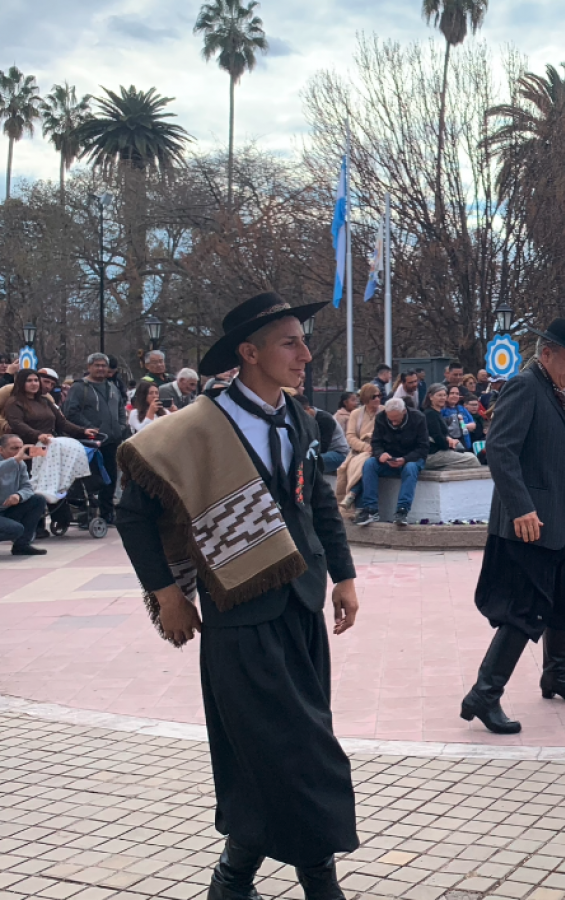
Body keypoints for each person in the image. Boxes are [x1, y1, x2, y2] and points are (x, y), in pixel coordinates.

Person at [115, 292, 360, 899]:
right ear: (249, 354)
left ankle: (230, 882)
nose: (305, 354)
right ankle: (321, 887)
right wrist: (167, 595)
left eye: (303, 341)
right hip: (238, 614)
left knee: (269, 756)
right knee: (303, 756)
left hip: (300, 605)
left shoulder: (303, 418)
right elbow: (131, 513)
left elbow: (318, 504)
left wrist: (344, 575)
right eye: (290, 342)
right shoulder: (195, 427)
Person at [461, 319, 565, 735]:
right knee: (525, 609)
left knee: (564, 603)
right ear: (546, 354)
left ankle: (555, 676)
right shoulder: (526, 386)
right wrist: (521, 507)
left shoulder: (556, 393)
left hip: (561, 520)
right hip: (531, 523)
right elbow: (500, 449)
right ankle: (484, 695)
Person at [63, 353, 129, 524]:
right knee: (90, 480)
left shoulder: (112, 387)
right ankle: (87, 513)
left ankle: (107, 513)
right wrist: (88, 428)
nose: (101, 369)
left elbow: (121, 409)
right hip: (91, 442)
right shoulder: (79, 388)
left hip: (112, 441)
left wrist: (122, 426)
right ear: (89, 367)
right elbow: (71, 412)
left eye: (103, 366)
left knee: (111, 478)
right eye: (97, 365)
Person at [353, 397, 428, 527]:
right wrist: (380, 454)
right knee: (369, 464)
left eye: (396, 419)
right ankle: (370, 509)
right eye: (390, 419)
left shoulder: (418, 418)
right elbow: (376, 442)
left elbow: (423, 447)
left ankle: (402, 510)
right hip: (388, 459)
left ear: (404, 411)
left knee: (410, 468)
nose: (393, 423)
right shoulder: (381, 417)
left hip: (411, 458)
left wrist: (405, 459)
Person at [336, 385, 381, 509]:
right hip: (359, 450)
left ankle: (353, 494)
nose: (377, 399)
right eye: (374, 397)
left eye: (379, 396)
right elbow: (350, 436)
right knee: (347, 468)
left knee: (365, 464)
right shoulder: (356, 414)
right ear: (366, 399)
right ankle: (355, 504)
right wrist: (364, 446)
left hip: (377, 450)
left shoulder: (384, 411)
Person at [423, 386, 482, 469]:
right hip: (433, 453)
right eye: (439, 395)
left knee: (471, 456)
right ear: (431, 397)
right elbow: (437, 437)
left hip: (442, 450)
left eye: (444, 395)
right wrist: (450, 443)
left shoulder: (437, 412)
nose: (442, 398)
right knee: (472, 460)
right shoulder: (430, 414)